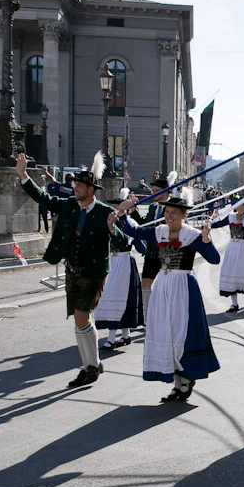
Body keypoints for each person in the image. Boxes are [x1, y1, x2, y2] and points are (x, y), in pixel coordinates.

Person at [15, 151, 114, 387]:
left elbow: (120, 241)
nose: (75, 188)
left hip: (95, 271)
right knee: (80, 319)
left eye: (80, 185)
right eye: (76, 184)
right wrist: (23, 175)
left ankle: (89, 367)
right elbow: (44, 198)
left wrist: (113, 226)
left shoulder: (103, 211)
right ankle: (94, 363)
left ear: (91, 188)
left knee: (81, 315)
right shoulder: (70, 205)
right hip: (73, 269)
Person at [112, 195, 221, 402]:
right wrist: (122, 212)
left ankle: (186, 378)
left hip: (183, 287)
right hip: (163, 284)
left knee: (182, 332)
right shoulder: (159, 232)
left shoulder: (192, 235)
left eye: (174, 213)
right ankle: (176, 382)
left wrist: (206, 240)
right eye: (167, 212)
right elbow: (134, 231)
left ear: (184, 215)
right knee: (165, 331)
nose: (169, 216)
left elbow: (214, 259)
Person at [95, 189, 143, 350]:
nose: (113, 211)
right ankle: (125, 334)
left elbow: (123, 243)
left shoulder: (129, 224)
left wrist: (112, 226)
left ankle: (111, 338)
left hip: (123, 261)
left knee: (118, 297)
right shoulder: (108, 222)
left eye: (116, 208)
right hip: (112, 261)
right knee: (112, 298)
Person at [135, 171, 177, 319]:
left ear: (166, 192)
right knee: (145, 283)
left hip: (168, 253)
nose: (153, 194)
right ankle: (148, 316)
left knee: (168, 287)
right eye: (152, 191)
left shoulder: (173, 207)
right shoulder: (153, 207)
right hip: (152, 252)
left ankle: (169, 315)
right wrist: (133, 213)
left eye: (157, 192)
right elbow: (143, 226)